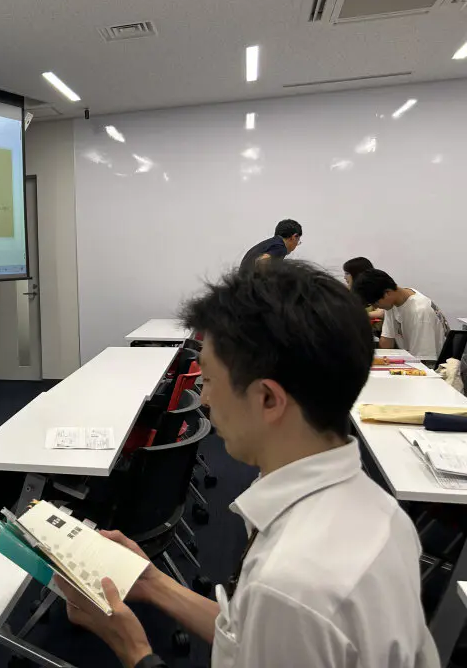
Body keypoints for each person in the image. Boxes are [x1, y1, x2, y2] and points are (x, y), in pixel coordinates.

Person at [58, 261, 437, 667]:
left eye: (209, 381)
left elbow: (279, 614)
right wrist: (151, 583)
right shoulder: (381, 512)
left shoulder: (292, 584)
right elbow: (253, 634)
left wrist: (133, 648)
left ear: (268, 399)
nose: (204, 401)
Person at [352, 268, 450, 364]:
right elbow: (386, 343)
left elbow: (424, 361)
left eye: (375, 302)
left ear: (387, 292)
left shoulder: (420, 312)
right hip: (414, 361)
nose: (375, 307)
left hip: (434, 367)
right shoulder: (393, 303)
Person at [342, 256, 385, 327]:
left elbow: (382, 313)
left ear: (357, 274)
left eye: (347, 274)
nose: (344, 277)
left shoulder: (376, 291)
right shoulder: (347, 292)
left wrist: (362, 315)